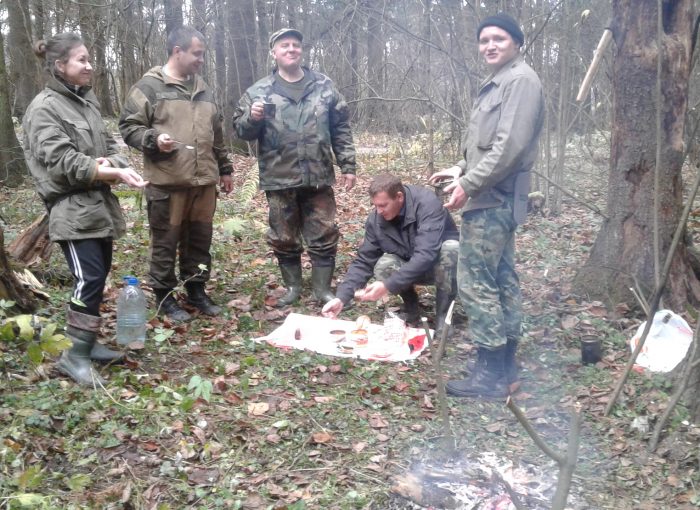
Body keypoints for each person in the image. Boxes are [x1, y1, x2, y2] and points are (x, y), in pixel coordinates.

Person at [429, 13, 544, 400]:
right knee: (501, 280)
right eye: (484, 40)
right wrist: (459, 168)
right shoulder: (498, 83)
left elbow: (510, 146)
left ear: (517, 42)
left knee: (477, 283)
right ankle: (506, 368)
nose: (490, 45)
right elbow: (485, 145)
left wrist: (469, 184)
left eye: (499, 38)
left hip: (494, 197)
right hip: (491, 194)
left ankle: (490, 377)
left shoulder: (520, 81)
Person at [23, 33, 148, 386]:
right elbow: (62, 162)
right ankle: (73, 355)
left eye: (89, 58)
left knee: (96, 278)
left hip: (98, 208)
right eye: (81, 60)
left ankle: (88, 344)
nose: (89, 65)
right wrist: (106, 169)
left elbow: (112, 146)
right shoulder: (44, 108)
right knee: (88, 279)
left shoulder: (86, 103)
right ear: (60, 66)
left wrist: (113, 162)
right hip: (70, 210)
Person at [233, 28, 357, 307]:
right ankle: (292, 288)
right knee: (284, 237)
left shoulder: (324, 86)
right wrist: (253, 118)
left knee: (324, 233)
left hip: (318, 176)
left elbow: (340, 128)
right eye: (284, 45)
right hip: (279, 178)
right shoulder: (259, 91)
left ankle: (322, 290)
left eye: (296, 45)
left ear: (302, 50)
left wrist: (348, 164)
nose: (291, 49)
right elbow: (240, 131)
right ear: (273, 53)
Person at [120, 26, 233, 322]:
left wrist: (225, 168)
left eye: (203, 54)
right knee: (165, 242)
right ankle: (165, 298)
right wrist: (153, 139)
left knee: (200, 240)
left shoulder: (203, 88)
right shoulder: (149, 87)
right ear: (177, 51)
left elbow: (216, 133)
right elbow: (129, 127)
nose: (201, 60)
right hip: (167, 182)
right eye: (197, 53)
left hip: (203, 182)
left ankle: (196, 290)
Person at [322, 174, 458, 333]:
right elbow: (364, 261)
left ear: (399, 197)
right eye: (376, 206)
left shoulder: (427, 204)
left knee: (451, 248)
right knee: (383, 265)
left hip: (441, 265)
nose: (379, 211)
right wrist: (341, 298)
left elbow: (426, 254)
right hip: (411, 265)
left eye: (383, 205)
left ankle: (444, 315)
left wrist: (388, 286)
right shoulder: (376, 221)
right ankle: (412, 309)